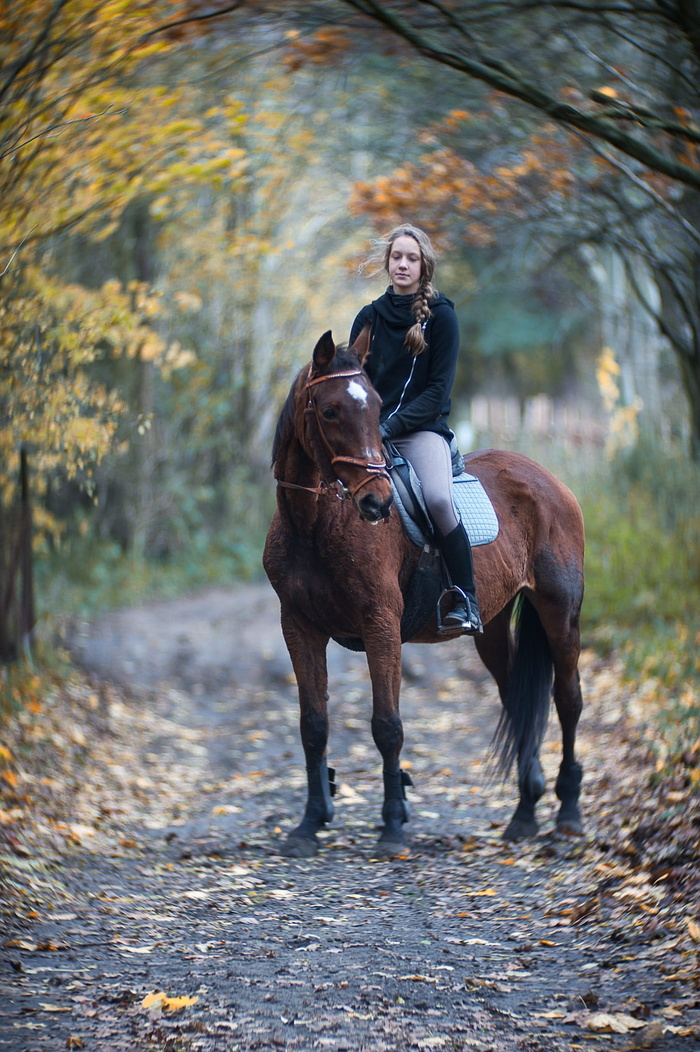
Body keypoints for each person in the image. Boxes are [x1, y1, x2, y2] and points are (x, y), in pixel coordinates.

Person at [349, 223, 483, 635]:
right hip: (373, 433)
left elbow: (438, 392)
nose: (402, 264)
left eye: (411, 258)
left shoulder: (442, 317)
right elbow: (356, 381)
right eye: (396, 257)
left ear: (424, 266)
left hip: (421, 431)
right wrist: (370, 428)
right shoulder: (368, 316)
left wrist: (391, 425)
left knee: (440, 500)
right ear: (388, 263)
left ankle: (465, 597)